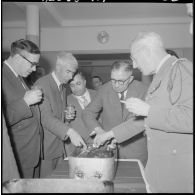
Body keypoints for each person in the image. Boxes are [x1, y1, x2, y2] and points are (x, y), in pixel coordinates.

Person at [93, 31, 193, 193]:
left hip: (176, 171)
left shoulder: (181, 69)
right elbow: (143, 121)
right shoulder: (161, 75)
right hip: (160, 168)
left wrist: (148, 110)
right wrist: (109, 134)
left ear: (147, 52)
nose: (136, 65)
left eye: (135, 59)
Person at [82, 60, 148, 166]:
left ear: (130, 79)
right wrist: (99, 130)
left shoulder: (144, 90)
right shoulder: (104, 89)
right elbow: (88, 113)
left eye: (121, 81)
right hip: (110, 151)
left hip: (136, 151)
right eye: (113, 80)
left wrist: (109, 135)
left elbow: (139, 122)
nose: (116, 85)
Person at [34, 51, 87, 178]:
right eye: (68, 72)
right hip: (46, 147)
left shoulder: (62, 87)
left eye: (73, 73)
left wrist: (67, 117)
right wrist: (70, 132)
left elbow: (58, 115)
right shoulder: (42, 84)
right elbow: (45, 118)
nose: (71, 77)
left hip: (59, 146)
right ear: (58, 68)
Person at [2, 39, 43, 178]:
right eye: (32, 64)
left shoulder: (18, 76)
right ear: (18, 58)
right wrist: (25, 102)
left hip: (29, 152)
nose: (34, 69)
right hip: (17, 155)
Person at [65, 71, 98, 154]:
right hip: (78, 147)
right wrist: (67, 119)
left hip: (99, 143)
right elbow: (62, 124)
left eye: (78, 83)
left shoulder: (98, 95)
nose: (75, 88)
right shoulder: (65, 100)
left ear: (85, 82)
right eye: (72, 85)